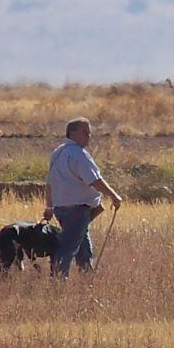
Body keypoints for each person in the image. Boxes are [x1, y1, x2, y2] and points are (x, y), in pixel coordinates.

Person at [44, 117, 122, 277]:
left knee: (83, 249)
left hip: (62, 210)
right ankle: (57, 280)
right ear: (72, 133)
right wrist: (114, 196)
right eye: (85, 132)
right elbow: (94, 180)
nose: (89, 136)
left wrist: (50, 206)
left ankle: (87, 279)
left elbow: (49, 183)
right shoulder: (79, 154)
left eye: (89, 133)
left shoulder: (58, 153)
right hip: (77, 211)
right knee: (68, 248)